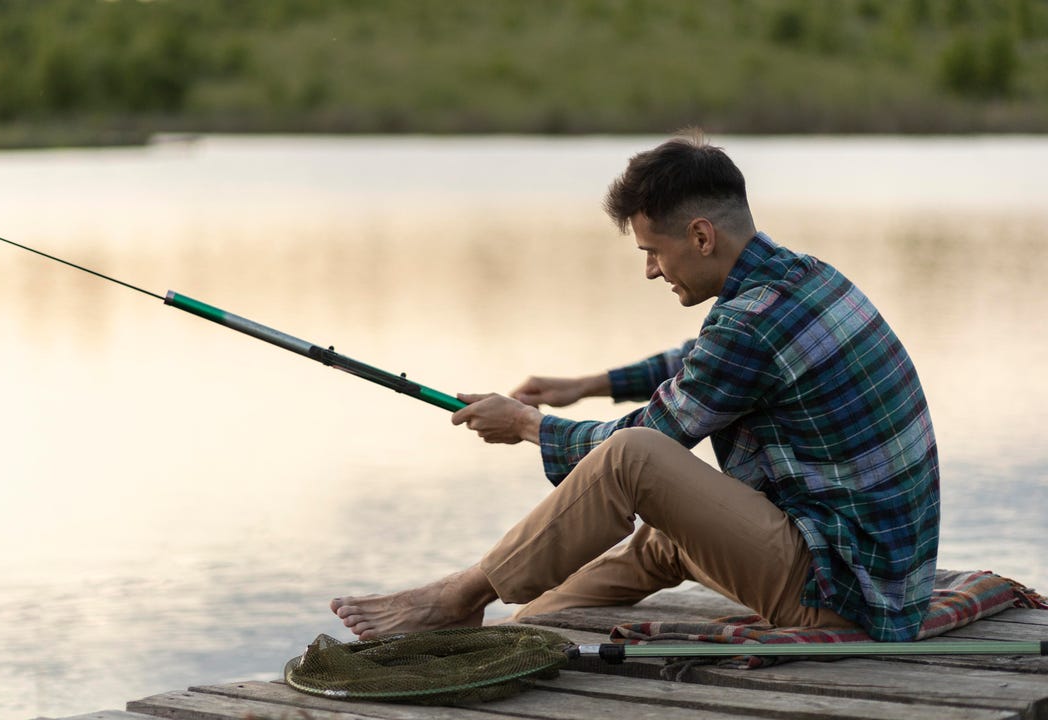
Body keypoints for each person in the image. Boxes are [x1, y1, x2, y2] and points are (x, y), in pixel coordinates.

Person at [330, 131, 940, 643]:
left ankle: (454, 598)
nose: (650, 269)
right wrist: (586, 385)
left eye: (653, 251)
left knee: (634, 458)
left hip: (845, 596)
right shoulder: (796, 279)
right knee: (661, 537)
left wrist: (525, 425)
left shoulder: (750, 324)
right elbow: (701, 359)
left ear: (701, 237)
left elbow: (640, 449)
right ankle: (514, 629)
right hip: (869, 574)